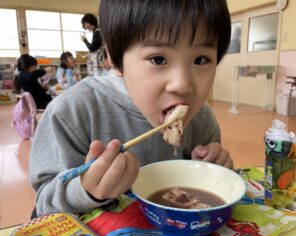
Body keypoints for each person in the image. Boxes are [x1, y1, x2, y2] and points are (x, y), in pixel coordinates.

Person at [30, 0, 233, 216]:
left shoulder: (202, 119)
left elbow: (204, 192)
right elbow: (43, 204)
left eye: (201, 60)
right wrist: (86, 190)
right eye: (158, 59)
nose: (182, 85)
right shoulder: (72, 112)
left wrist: (213, 168)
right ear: (114, 60)